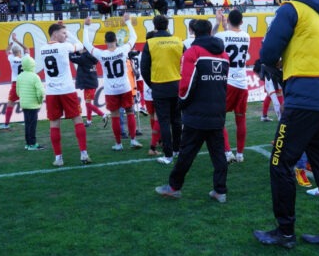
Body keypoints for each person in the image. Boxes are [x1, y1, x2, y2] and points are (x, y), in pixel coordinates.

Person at [255, 0, 319, 250]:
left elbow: (268, 53)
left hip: (304, 98)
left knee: (280, 163)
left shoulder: (290, 8)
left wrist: (272, 66)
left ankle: (285, 232)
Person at [155, 19, 230, 203]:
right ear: (210, 32)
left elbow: (185, 86)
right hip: (217, 111)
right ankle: (220, 191)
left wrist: (181, 104)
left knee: (186, 153)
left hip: (196, 114)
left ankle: (173, 187)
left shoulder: (193, 52)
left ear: (192, 31)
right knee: (218, 155)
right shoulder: (224, 55)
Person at [83, 13, 143, 150]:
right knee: (130, 112)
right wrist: (127, 22)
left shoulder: (101, 54)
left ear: (105, 41)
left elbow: (86, 44)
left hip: (111, 89)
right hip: (125, 87)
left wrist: (86, 27)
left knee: (115, 115)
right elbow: (134, 38)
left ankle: (118, 144)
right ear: (116, 40)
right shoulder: (123, 50)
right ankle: (133, 140)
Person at [39, 23, 92, 166]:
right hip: (67, 90)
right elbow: (80, 45)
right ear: (55, 34)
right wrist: (71, 35)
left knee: (54, 123)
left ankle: (58, 158)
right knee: (77, 119)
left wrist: (64, 33)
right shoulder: (65, 47)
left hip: (51, 91)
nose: (65, 35)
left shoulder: (42, 49)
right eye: (63, 33)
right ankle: (84, 154)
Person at [140, 15, 184, 165]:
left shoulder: (150, 43)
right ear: (167, 25)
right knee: (177, 120)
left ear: (155, 26)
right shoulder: (178, 41)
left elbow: (144, 69)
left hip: (159, 86)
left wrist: (152, 84)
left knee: (164, 121)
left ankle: (168, 155)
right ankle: (178, 150)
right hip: (176, 84)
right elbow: (188, 61)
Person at [212, 8, 250, 163]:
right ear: (241, 21)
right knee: (240, 119)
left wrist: (217, 23)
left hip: (227, 82)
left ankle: (228, 152)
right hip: (242, 83)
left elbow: (211, 37)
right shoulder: (246, 36)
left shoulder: (221, 35)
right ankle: (240, 154)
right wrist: (225, 24)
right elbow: (232, 36)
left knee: (219, 117)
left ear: (228, 21)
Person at [0, 34, 30, 130]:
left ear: (13, 53)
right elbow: (27, 48)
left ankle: (6, 124)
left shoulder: (12, 59)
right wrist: (17, 40)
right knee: (26, 103)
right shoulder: (25, 59)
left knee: (10, 103)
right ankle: (26, 122)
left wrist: (11, 43)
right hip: (25, 83)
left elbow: (7, 51)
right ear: (20, 52)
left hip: (16, 83)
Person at [69, 49, 109, 128]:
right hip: (92, 82)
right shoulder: (91, 56)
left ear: (83, 49)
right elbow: (79, 55)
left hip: (88, 84)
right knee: (88, 103)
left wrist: (70, 52)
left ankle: (103, 115)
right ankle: (89, 121)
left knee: (87, 103)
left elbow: (73, 59)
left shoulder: (84, 58)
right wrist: (77, 52)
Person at [16, 55, 45, 150]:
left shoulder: (19, 76)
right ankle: (32, 144)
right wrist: (39, 101)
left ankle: (28, 144)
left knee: (27, 124)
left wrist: (23, 98)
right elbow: (41, 92)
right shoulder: (35, 76)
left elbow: (17, 91)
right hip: (33, 104)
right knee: (32, 125)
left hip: (24, 104)